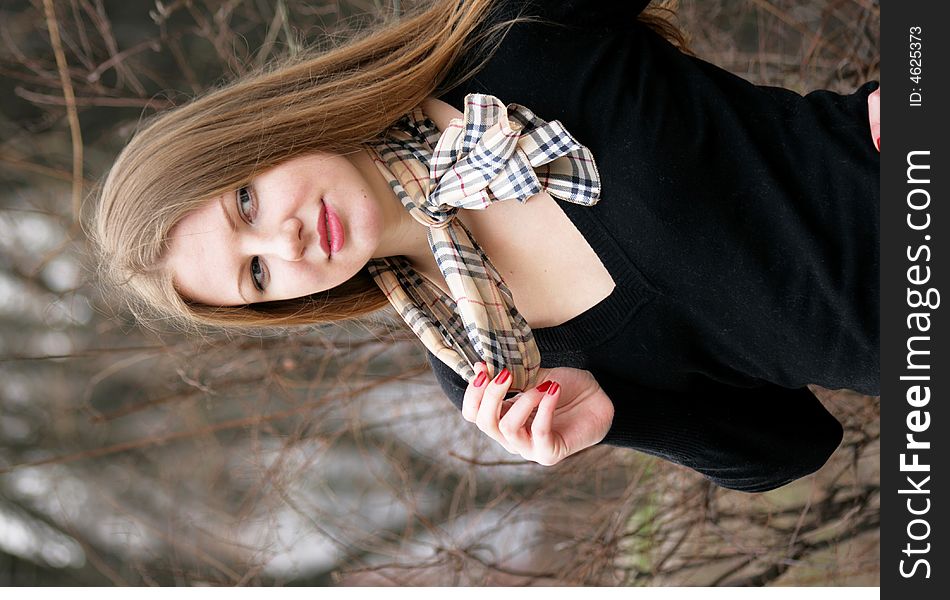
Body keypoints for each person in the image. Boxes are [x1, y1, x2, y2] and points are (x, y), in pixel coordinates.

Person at [90, 0, 880, 493]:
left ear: (265, 128)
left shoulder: (506, 44)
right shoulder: (490, 362)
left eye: (246, 201)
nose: (285, 241)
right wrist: (619, 418)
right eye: (256, 273)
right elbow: (793, 445)